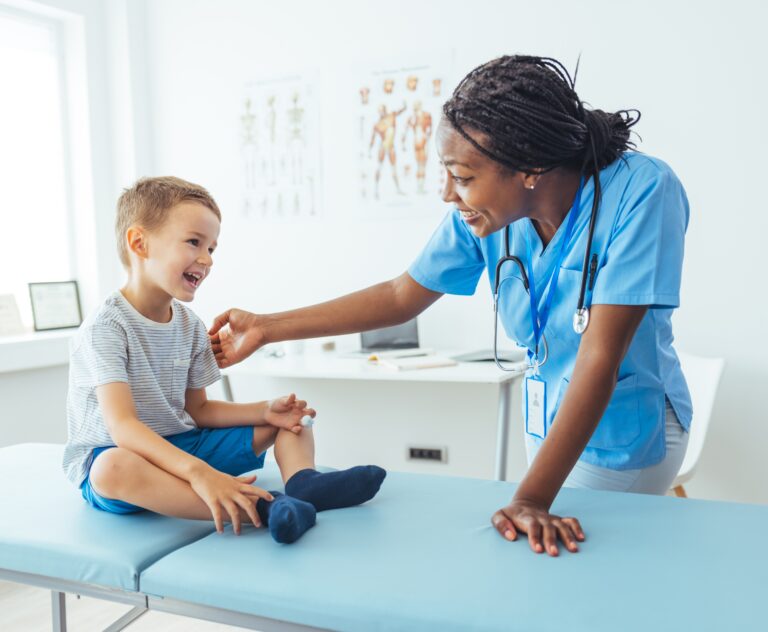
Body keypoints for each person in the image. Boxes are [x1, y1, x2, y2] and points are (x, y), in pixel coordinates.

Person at [209, 55, 692, 556]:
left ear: (529, 168)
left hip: (621, 433)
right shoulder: (485, 213)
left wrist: (528, 497)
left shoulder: (644, 192)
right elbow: (402, 295)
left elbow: (599, 359)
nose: (446, 193)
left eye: (461, 176)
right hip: (549, 424)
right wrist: (267, 327)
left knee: (580, 580)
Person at [63, 176, 385, 544]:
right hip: (127, 456)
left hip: (182, 444)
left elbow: (198, 410)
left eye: (212, 248)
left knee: (290, 419)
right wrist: (200, 473)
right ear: (140, 243)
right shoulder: (107, 327)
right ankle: (263, 508)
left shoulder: (188, 325)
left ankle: (303, 484)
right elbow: (122, 427)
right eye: (194, 242)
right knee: (111, 469)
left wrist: (266, 411)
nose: (207, 259)